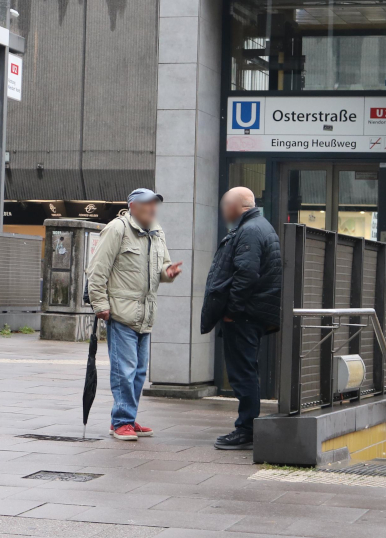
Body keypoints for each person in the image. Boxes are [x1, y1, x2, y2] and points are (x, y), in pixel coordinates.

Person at [86, 189, 183, 441]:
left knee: (139, 371)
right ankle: (121, 422)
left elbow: (162, 266)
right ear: (133, 206)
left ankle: (127, 417)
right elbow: (97, 271)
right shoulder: (117, 229)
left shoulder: (157, 231)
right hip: (120, 314)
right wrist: (100, 305)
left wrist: (167, 272)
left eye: (155, 205)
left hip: (146, 315)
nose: (153, 209)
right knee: (124, 371)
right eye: (148, 205)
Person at [201, 187, 282, 451]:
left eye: (226, 205)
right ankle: (247, 427)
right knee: (246, 370)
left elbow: (246, 275)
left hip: (245, 315)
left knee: (242, 372)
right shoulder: (260, 227)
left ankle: (246, 429)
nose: (224, 210)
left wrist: (231, 312)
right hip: (252, 313)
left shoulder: (249, 230)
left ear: (238, 206)